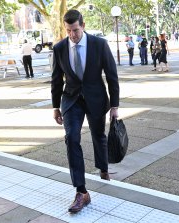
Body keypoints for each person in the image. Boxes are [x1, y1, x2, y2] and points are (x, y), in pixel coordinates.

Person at [51, 9, 119, 213]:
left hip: (96, 98)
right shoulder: (59, 48)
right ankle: (81, 192)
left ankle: (103, 168)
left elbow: (112, 75)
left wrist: (114, 106)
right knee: (71, 138)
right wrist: (55, 106)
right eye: (68, 31)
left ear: (83, 25)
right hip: (71, 100)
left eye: (75, 30)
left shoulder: (99, 44)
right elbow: (56, 80)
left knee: (99, 135)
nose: (72, 35)